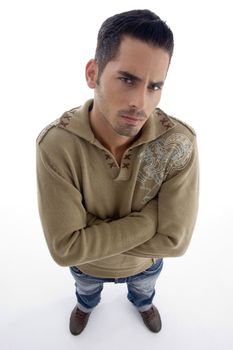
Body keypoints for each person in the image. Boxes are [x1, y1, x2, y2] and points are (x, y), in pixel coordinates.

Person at [36, 9, 199, 335]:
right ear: (92, 72)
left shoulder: (178, 143)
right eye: (128, 79)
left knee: (144, 292)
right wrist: (152, 220)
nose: (141, 102)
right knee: (86, 295)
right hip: (87, 270)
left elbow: (176, 242)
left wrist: (88, 235)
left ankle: (143, 304)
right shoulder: (56, 144)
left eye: (154, 86)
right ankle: (85, 307)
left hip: (144, 267)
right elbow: (65, 249)